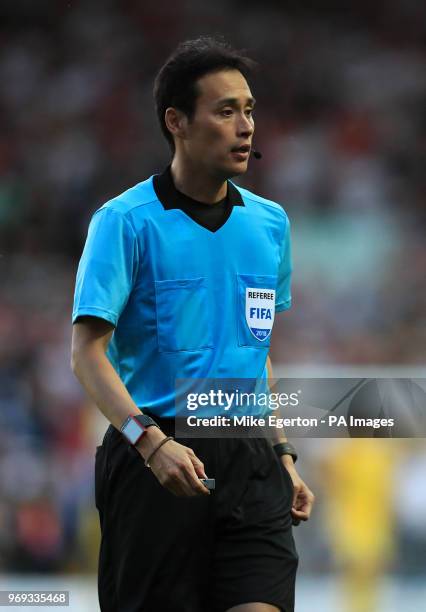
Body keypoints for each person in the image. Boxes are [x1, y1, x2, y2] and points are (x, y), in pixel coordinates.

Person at [71, 36, 314, 612]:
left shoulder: (270, 224)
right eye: (225, 110)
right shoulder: (123, 222)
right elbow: (86, 354)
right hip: (157, 459)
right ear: (176, 121)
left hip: (251, 459)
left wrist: (281, 453)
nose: (245, 126)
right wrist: (149, 444)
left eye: (249, 109)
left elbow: (256, 350)